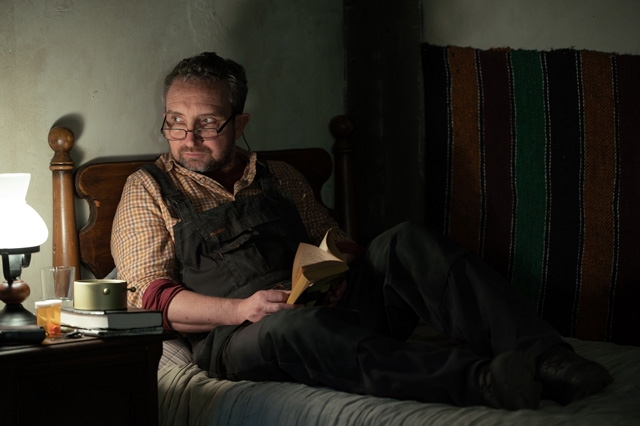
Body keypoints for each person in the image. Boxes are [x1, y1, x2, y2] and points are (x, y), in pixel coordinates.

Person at [111, 52, 613, 410]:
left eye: (207, 123)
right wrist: (243, 310)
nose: (189, 138)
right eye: (175, 122)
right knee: (290, 327)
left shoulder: (280, 176)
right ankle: (482, 382)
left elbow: (335, 241)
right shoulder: (147, 188)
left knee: (404, 241)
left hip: (328, 306)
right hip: (243, 335)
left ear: (239, 124)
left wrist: (336, 273)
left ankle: (547, 358)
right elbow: (147, 298)